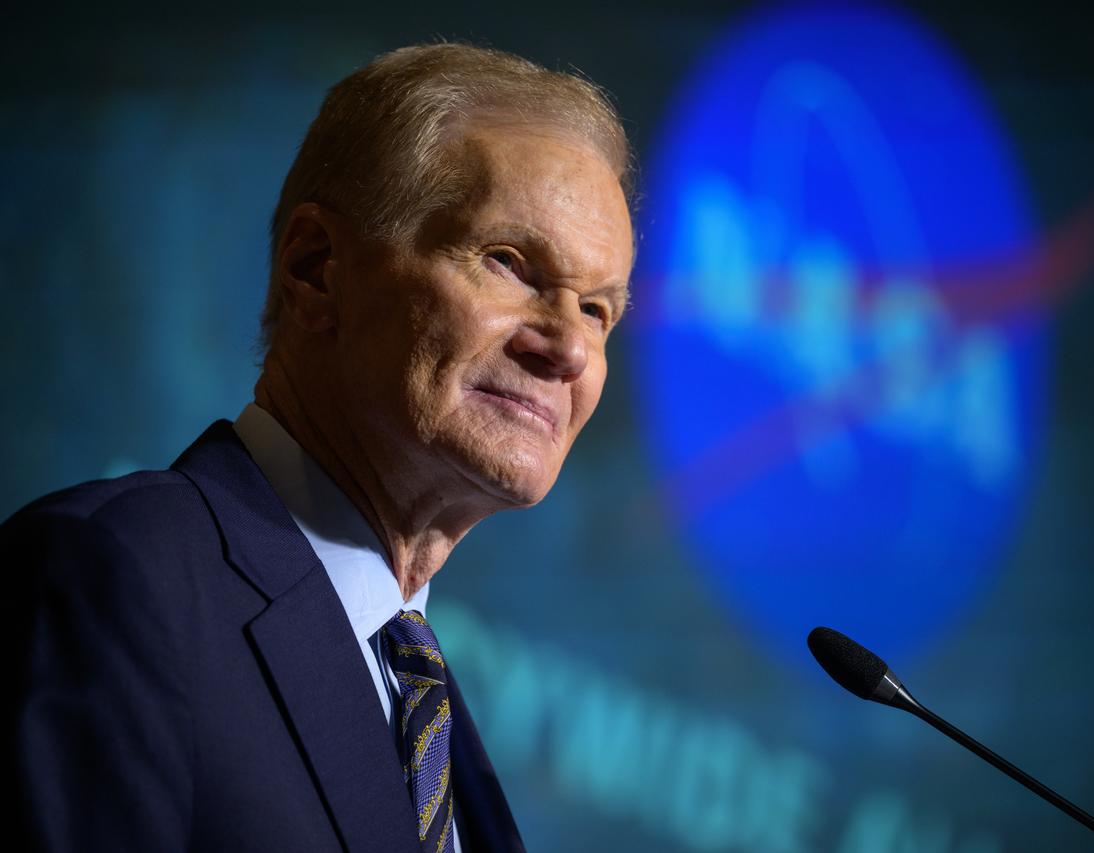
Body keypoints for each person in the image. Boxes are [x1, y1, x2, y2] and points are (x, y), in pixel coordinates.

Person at [2, 42, 634, 852]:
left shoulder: (423, 698)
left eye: (596, 309)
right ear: (316, 269)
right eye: (509, 263)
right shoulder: (115, 573)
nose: (570, 349)